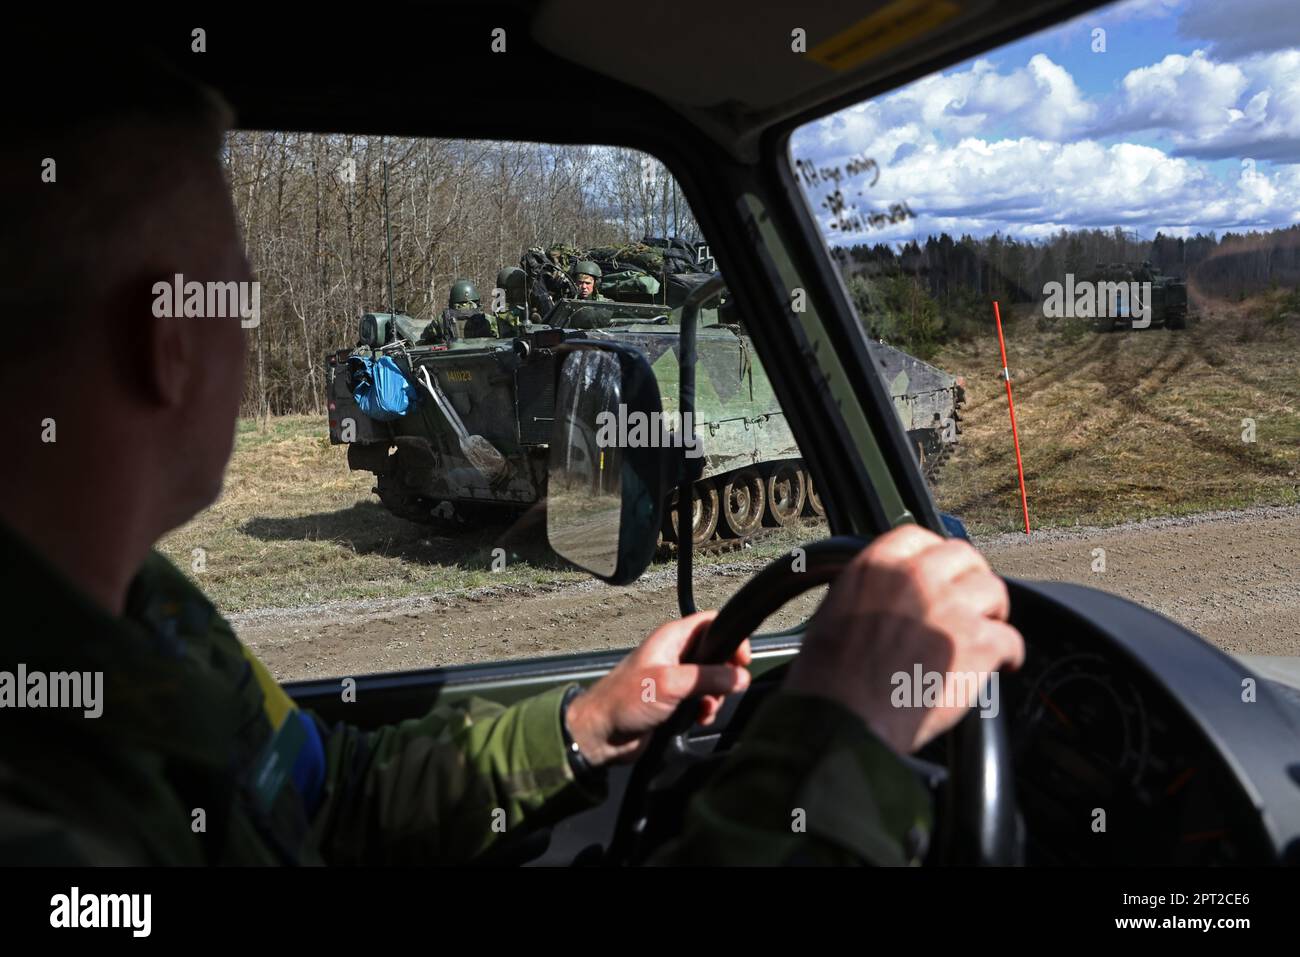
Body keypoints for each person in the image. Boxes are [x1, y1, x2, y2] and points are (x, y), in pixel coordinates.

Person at [0, 56, 1024, 865]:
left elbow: (327, 797)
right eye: (236, 291)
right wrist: (837, 742)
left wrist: (583, 724)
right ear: (167, 344)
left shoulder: (149, 618)